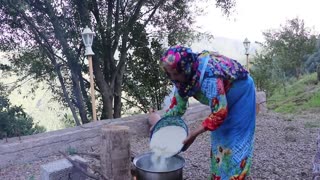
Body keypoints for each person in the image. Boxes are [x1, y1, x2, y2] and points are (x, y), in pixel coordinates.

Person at [149, 45, 256, 180]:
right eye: (169, 74)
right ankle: (219, 176)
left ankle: (235, 176)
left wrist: (194, 134)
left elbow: (220, 113)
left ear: (186, 69)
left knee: (235, 140)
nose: (173, 78)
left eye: (175, 74)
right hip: (221, 100)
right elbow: (178, 108)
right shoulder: (183, 78)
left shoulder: (208, 78)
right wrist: (161, 124)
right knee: (220, 139)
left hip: (241, 97)